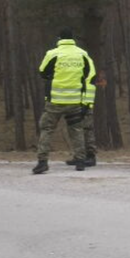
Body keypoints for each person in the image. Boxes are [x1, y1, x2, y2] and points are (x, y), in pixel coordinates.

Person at [33, 28, 97, 174]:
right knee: (76, 129)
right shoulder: (82, 54)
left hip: (55, 100)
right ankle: (80, 161)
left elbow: (42, 71)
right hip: (75, 100)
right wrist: (86, 100)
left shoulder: (53, 53)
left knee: (47, 129)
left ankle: (42, 162)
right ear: (73, 39)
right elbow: (90, 75)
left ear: (59, 39)